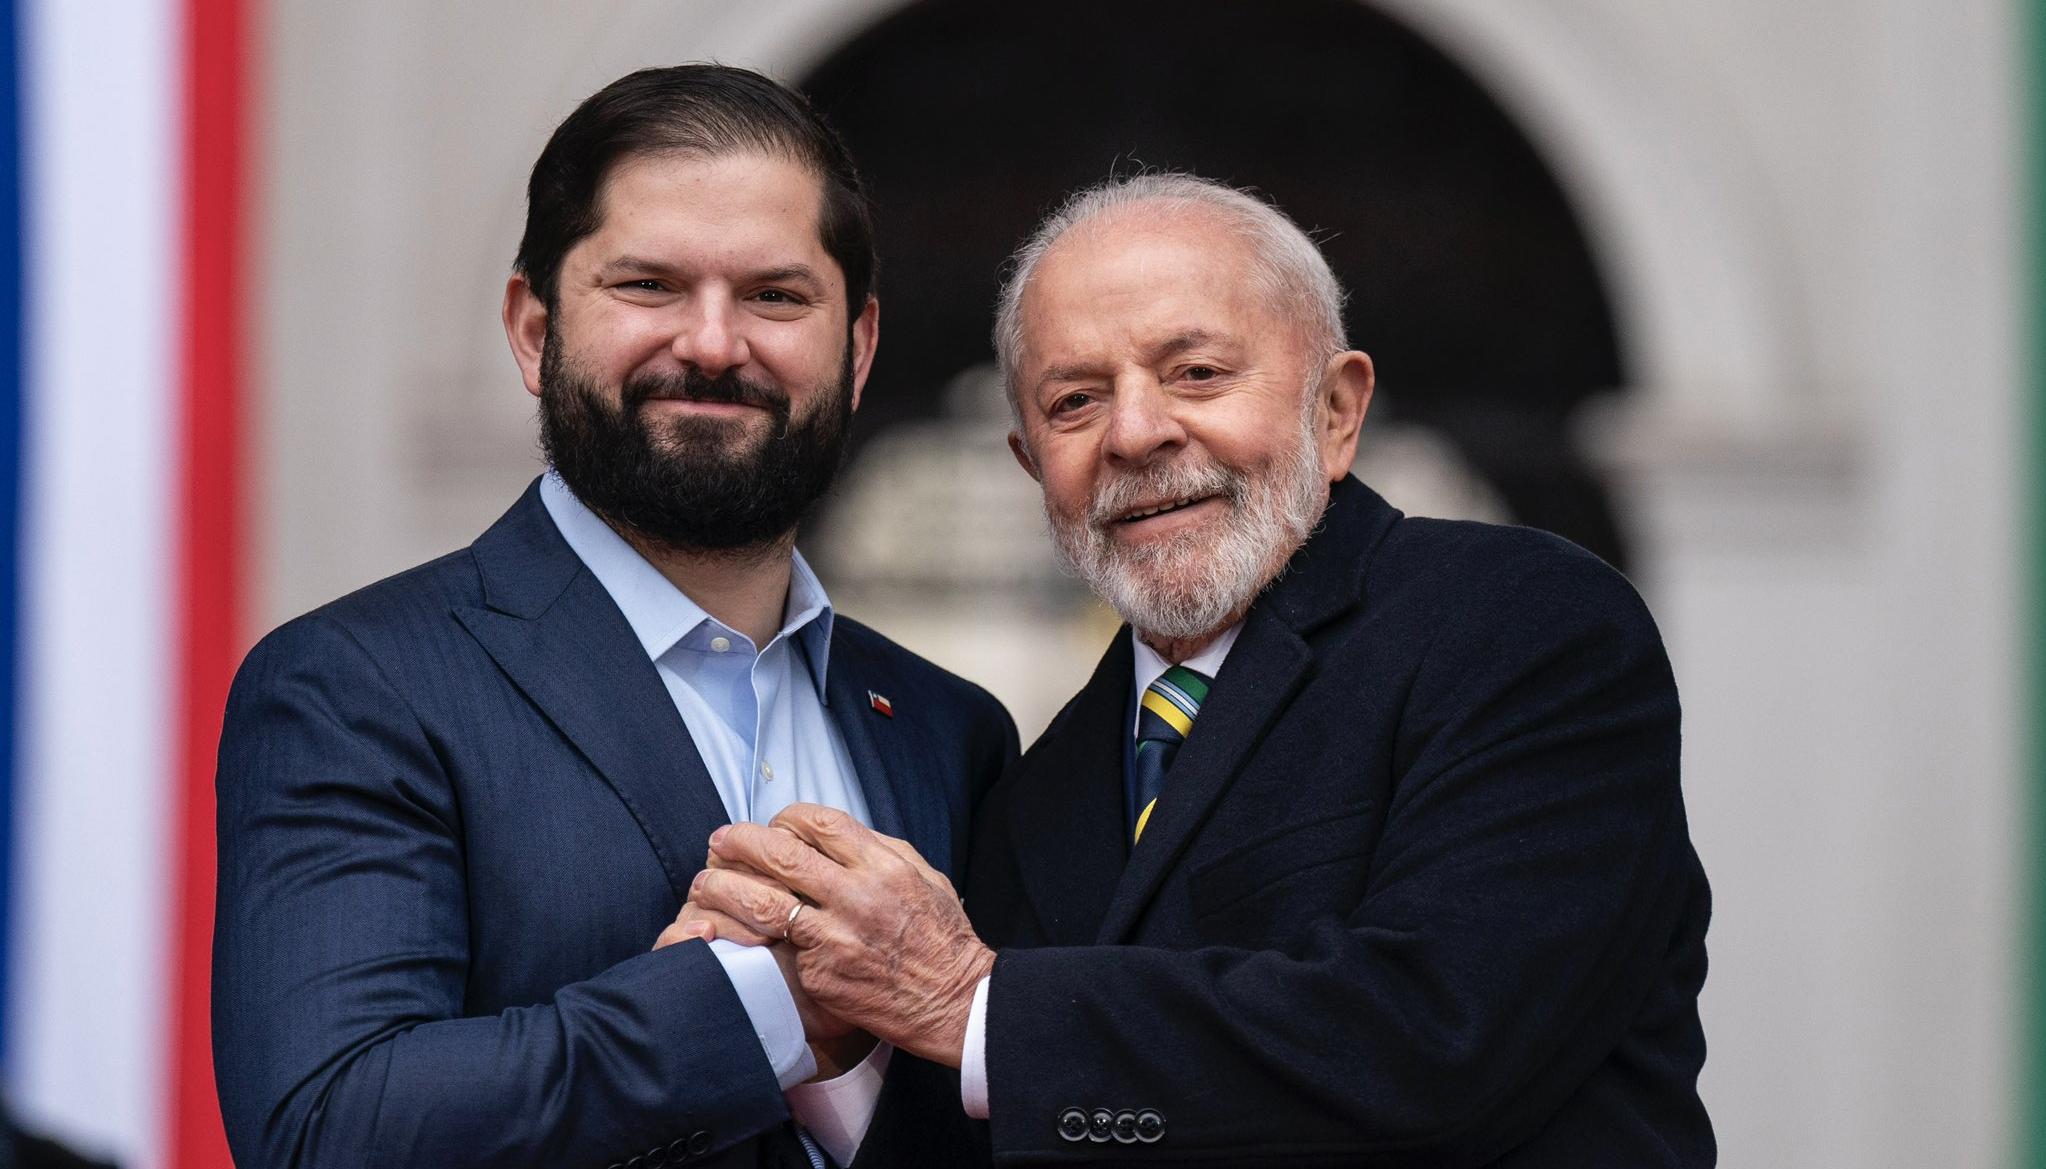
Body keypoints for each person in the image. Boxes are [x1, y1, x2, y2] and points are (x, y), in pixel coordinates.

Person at [681, 173, 1714, 1166]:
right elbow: (1025, 1112)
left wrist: (971, 1002)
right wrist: (831, 1042)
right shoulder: (1041, 781)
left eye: (1198, 374)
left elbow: (1442, 1038)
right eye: (1075, 402)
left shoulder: (1519, 625)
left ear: (1338, 411)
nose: (1136, 432)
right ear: (1033, 466)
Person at [211, 64, 1015, 1169]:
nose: (715, 342)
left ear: (860, 346)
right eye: (648, 285)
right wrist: (753, 1008)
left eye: (777, 295)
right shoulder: (357, 685)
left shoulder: (946, 725)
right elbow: (327, 1129)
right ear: (533, 329)